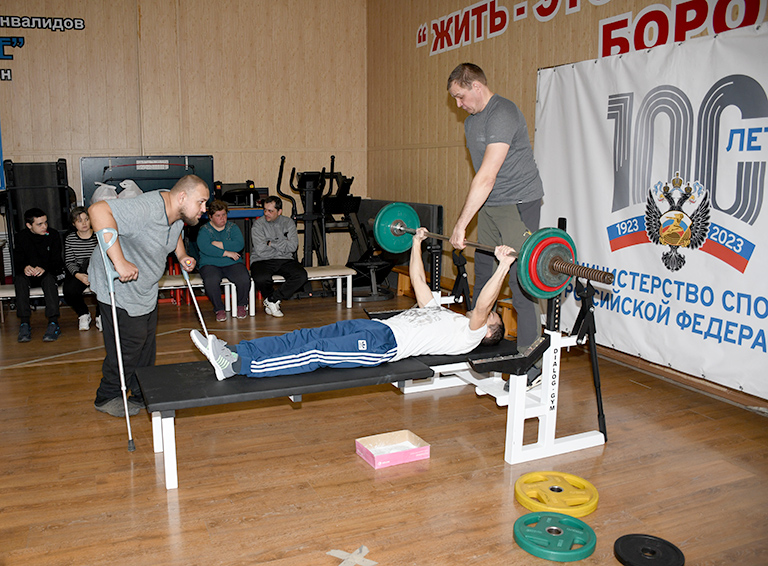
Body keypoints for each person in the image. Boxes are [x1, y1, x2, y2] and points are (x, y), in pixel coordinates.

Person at [192, 227, 514, 381]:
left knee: (316, 352)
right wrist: (416, 243)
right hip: (375, 327)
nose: (486, 312)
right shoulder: (443, 315)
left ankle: (236, 367)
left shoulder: (469, 335)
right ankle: (238, 352)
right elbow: (419, 281)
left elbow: (485, 304)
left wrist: (502, 266)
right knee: (305, 336)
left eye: (491, 317)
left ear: (488, 330)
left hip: (381, 346)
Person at [447, 62, 544, 385]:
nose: (458, 105)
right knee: (484, 275)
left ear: (476, 86)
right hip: (491, 205)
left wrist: (461, 224)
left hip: (517, 203)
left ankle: (532, 366)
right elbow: (483, 180)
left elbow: (486, 177)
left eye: (461, 97)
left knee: (520, 283)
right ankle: (480, 348)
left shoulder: (503, 113)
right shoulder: (471, 123)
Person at [88, 175, 209, 418]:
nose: (204, 210)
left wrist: (182, 254)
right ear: (183, 197)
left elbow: (171, 232)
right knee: (129, 344)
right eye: (202, 202)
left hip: (145, 286)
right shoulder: (147, 208)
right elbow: (98, 211)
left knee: (146, 345)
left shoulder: (176, 211)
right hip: (118, 286)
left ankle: (141, 391)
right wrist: (119, 261)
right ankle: (107, 395)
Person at [250, 195, 307, 318]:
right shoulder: (258, 225)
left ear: (279, 211)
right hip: (262, 260)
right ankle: (273, 301)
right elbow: (260, 250)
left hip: (285, 259)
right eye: (265, 210)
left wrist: (271, 243)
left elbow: (293, 246)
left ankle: (272, 300)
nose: (266, 213)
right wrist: (282, 246)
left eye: (270, 211)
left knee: (301, 276)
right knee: (261, 278)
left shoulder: (288, 223)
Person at [13, 207, 64, 342]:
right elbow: (17, 261)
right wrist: (25, 267)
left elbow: (57, 261)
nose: (44, 226)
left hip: (47, 272)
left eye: (46, 222)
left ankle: (53, 323)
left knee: (49, 280)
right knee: (20, 280)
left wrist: (44, 268)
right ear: (29, 225)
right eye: (39, 224)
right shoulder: (21, 237)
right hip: (29, 274)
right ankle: (24, 323)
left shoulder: (52, 235)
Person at [196, 199, 251, 321]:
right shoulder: (204, 230)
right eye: (218, 216)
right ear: (210, 217)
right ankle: (219, 309)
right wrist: (227, 252)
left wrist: (219, 244)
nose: (222, 218)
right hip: (210, 264)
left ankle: (241, 305)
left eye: (224, 215)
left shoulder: (233, 227)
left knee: (243, 278)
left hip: (232, 263)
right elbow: (205, 248)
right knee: (211, 280)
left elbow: (239, 244)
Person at [63, 206, 101, 331]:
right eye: (79, 221)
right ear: (74, 224)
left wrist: (93, 274)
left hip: (98, 270)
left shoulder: (98, 236)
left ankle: (100, 316)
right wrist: (79, 275)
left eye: (86, 219)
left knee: (104, 288)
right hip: (79, 272)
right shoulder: (70, 239)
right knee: (69, 291)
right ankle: (83, 314)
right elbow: (69, 261)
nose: (84, 223)